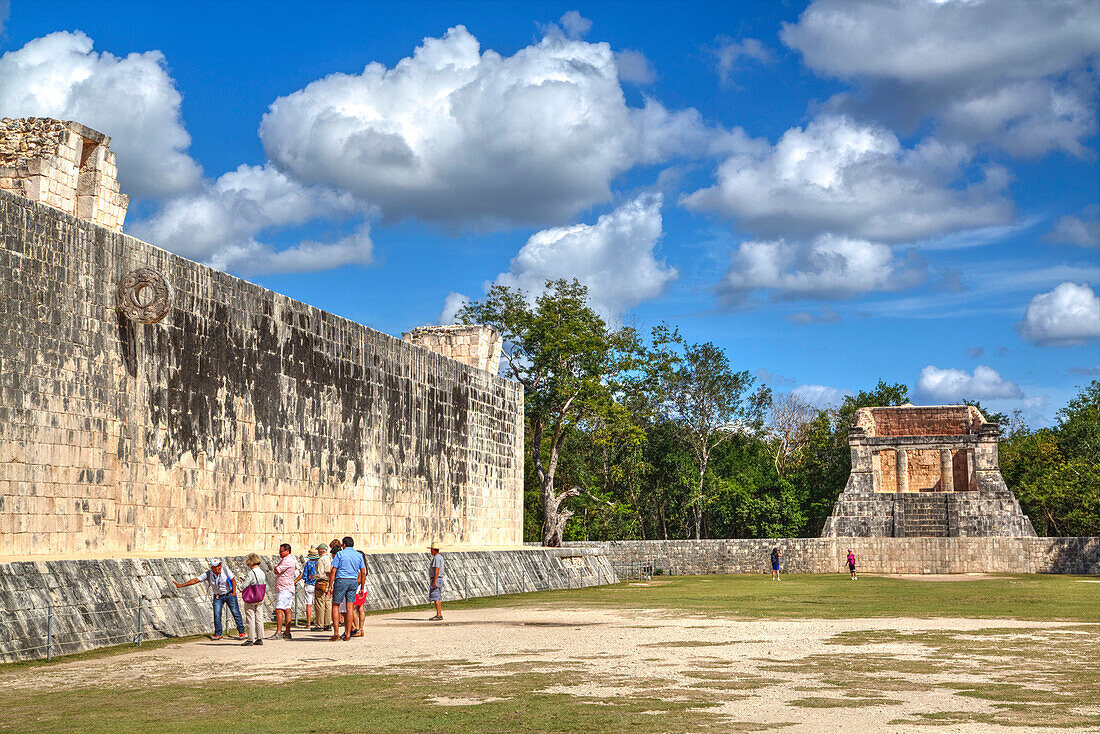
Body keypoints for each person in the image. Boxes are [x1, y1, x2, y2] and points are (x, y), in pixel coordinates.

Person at [174, 559, 246, 640]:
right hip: (218, 596)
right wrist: (181, 585)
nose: (219, 567)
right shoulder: (208, 574)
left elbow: (233, 580)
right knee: (217, 615)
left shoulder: (225, 570)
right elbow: (195, 580)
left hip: (229, 594)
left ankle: (241, 632)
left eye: (220, 565)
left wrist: (233, 593)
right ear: (212, 568)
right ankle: (218, 634)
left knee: (236, 613)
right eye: (217, 566)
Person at [328, 536, 366, 641]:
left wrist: (330, 586)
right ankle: (348, 633)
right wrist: (362, 587)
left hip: (341, 580)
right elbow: (363, 572)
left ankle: (336, 633)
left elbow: (333, 570)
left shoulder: (340, 554)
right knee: (350, 607)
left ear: (343, 545)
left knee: (335, 605)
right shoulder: (359, 555)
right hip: (353, 581)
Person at [271, 543, 297, 640]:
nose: (279, 553)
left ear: (287, 551)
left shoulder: (287, 561)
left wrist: (275, 567)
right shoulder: (289, 559)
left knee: (279, 610)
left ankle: (279, 632)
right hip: (286, 588)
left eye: (281, 551)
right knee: (287, 610)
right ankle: (287, 632)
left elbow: (277, 570)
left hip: (284, 588)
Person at [241, 553, 267, 646]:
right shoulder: (262, 572)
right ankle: (260, 637)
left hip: (251, 598)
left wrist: (242, 582)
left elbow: (244, 586)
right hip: (260, 596)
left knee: (250, 618)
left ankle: (250, 638)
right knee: (259, 618)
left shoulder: (251, 573)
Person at [312, 543, 333, 631]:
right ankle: (327, 623)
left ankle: (320, 624)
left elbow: (320, 574)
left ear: (321, 550)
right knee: (328, 603)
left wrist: (314, 576)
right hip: (329, 582)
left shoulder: (321, 560)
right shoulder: (329, 558)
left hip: (322, 582)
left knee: (320, 603)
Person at [298, 548, 319, 630]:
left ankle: (308, 623)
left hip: (309, 585)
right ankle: (318, 621)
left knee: (308, 605)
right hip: (317, 585)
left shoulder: (307, 564)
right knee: (317, 605)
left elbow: (304, 575)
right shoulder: (318, 563)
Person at [351, 549, 369, 637]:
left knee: (351, 609)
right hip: (363, 591)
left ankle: (356, 628)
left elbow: (359, 580)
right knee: (360, 609)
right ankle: (361, 629)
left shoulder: (359, 567)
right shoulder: (364, 567)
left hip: (358, 591)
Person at [428, 541, 444, 621]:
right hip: (438, 579)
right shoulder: (440, 557)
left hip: (436, 579)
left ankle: (439, 614)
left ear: (434, 550)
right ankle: (439, 614)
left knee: (436, 596)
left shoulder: (436, 558)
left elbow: (436, 569)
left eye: (431, 550)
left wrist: (434, 581)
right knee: (436, 596)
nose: (430, 551)